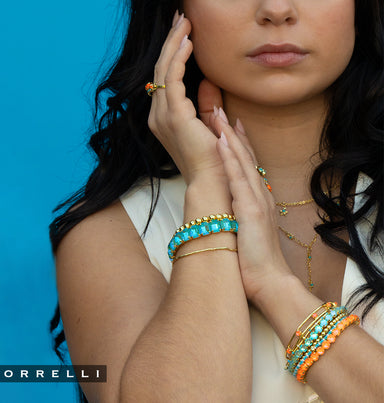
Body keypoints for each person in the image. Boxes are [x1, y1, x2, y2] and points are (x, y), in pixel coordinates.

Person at [49, 1, 384, 402]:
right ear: (175, 8)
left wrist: (275, 285)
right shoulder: (110, 236)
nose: (277, 9)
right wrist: (209, 195)